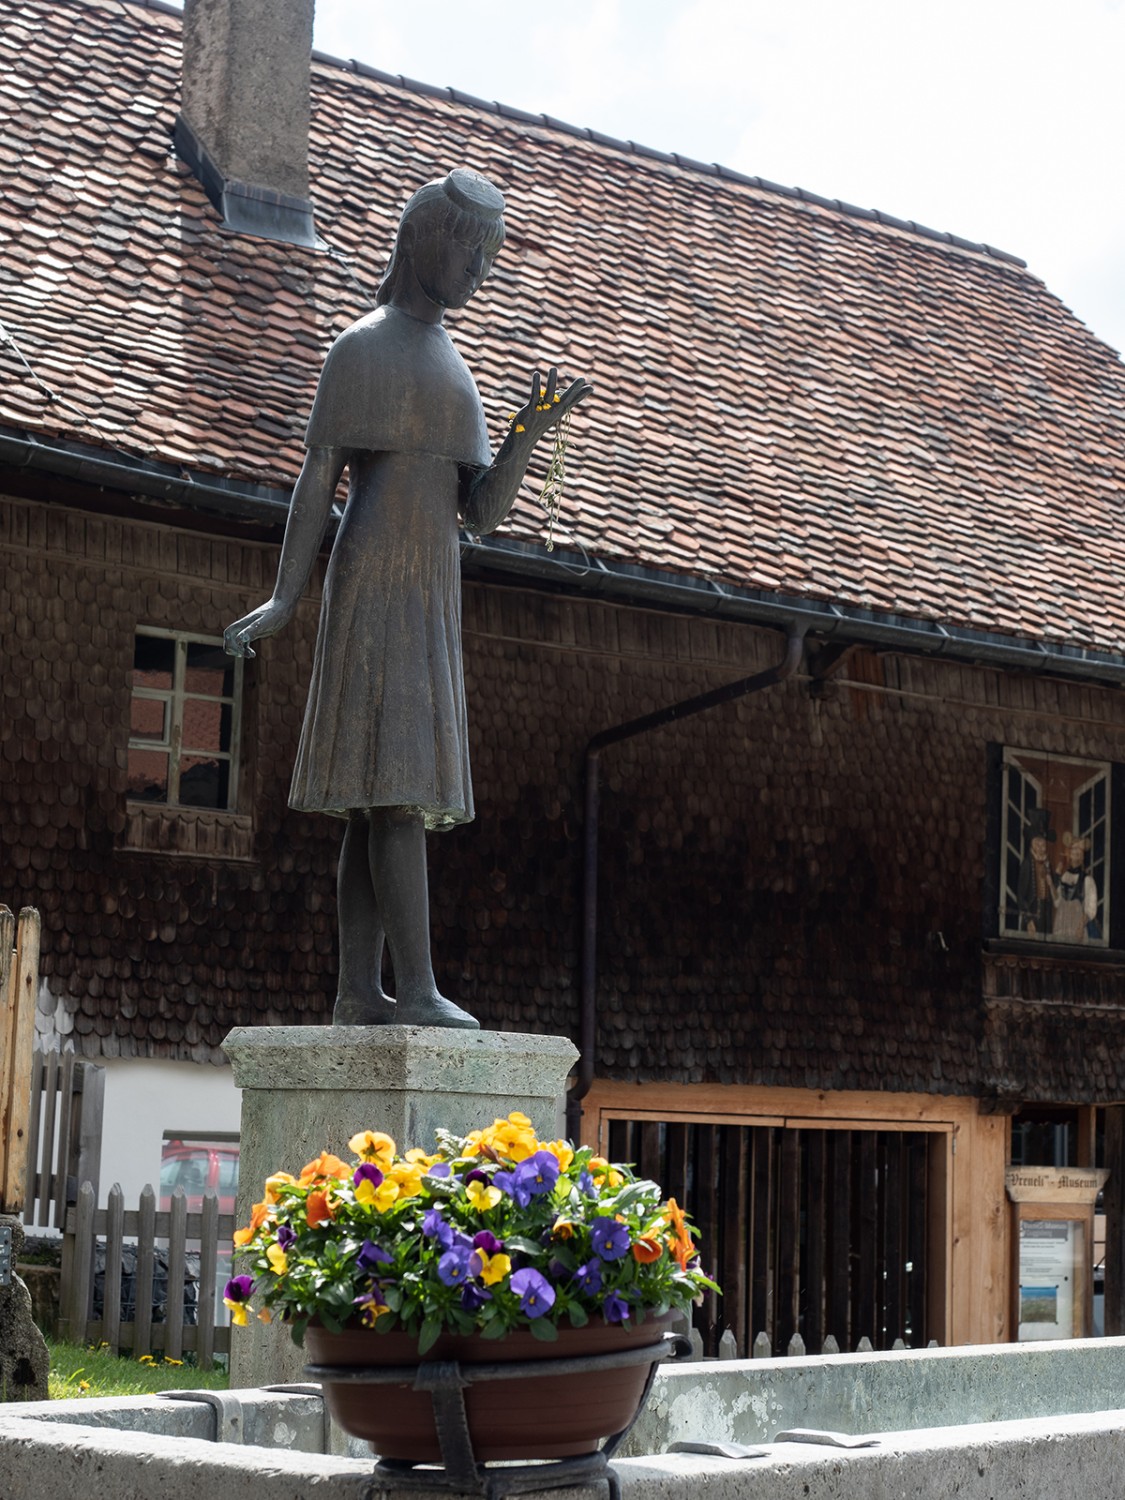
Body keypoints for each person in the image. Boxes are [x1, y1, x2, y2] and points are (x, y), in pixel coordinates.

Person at [224, 169, 590, 1028]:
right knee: (392, 786)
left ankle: (360, 990)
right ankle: (414, 988)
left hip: (429, 584)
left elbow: (480, 514)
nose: (477, 270)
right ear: (423, 239)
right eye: (468, 248)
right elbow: (318, 482)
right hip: (376, 578)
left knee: (374, 796)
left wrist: (527, 439)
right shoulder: (361, 348)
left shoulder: (453, 365)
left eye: (488, 255)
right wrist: (284, 598)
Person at [1053, 832, 1098, 944]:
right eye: (1074, 851)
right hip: (1061, 921)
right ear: (1069, 854)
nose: (1076, 854)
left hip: (1077, 923)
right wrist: (1053, 880)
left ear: (1082, 856)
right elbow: (1057, 902)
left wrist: (1081, 926)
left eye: (1079, 852)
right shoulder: (1064, 876)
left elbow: (1091, 909)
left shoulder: (1087, 880)